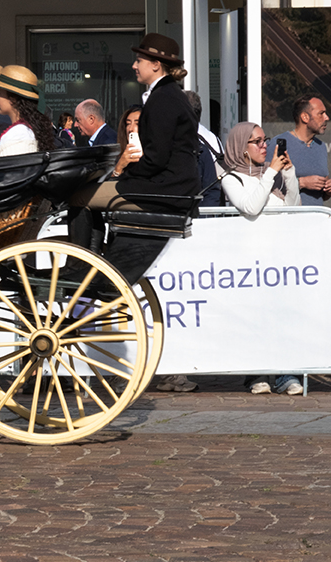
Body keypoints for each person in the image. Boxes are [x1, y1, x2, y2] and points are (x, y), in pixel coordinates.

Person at [217, 122, 303, 396]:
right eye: (257, 141)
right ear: (242, 148)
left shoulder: (272, 175)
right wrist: (271, 174)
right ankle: (256, 374)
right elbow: (250, 206)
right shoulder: (232, 178)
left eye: (265, 140)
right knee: (254, 318)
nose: (265, 145)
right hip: (250, 261)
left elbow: (293, 207)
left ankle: (286, 373)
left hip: (279, 258)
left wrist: (288, 174)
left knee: (283, 316)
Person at [71, 34, 201, 214]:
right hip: (174, 188)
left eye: (139, 61)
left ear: (156, 65)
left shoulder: (163, 98)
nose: (134, 66)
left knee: (78, 197)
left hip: (166, 190)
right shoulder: (170, 94)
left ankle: (84, 244)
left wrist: (125, 175)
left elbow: (155, 159)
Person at [265, 95, 328, 205]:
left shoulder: (321, 146)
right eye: (321, 113)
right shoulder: (278, 145)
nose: (326, 118)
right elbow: (264, 186)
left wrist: (327, 190)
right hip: (290, 218)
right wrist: (301, 183)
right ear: (305, 117)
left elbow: (321, 197)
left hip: (317, 218)